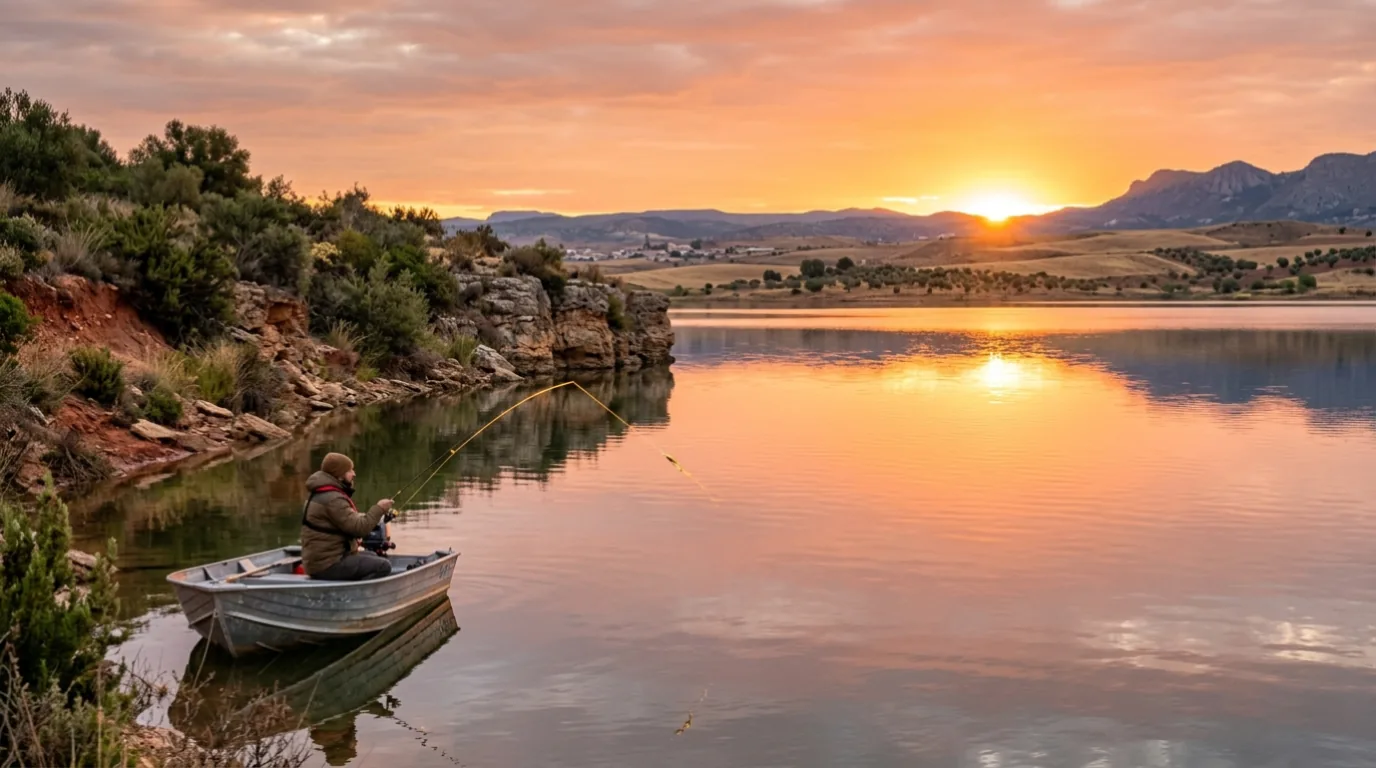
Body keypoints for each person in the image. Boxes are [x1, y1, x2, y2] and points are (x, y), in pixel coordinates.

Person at [300, 452, 395, 581]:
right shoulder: (332, 499)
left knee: (373, 555)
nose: (354, 474)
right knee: (383, 566)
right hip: (328, 565)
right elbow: (359, 529)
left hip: (320, 561)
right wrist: (379, 509)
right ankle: (356, 595)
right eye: (349, 470)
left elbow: (345, 520)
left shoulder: (321, 493)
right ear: (339, 475)